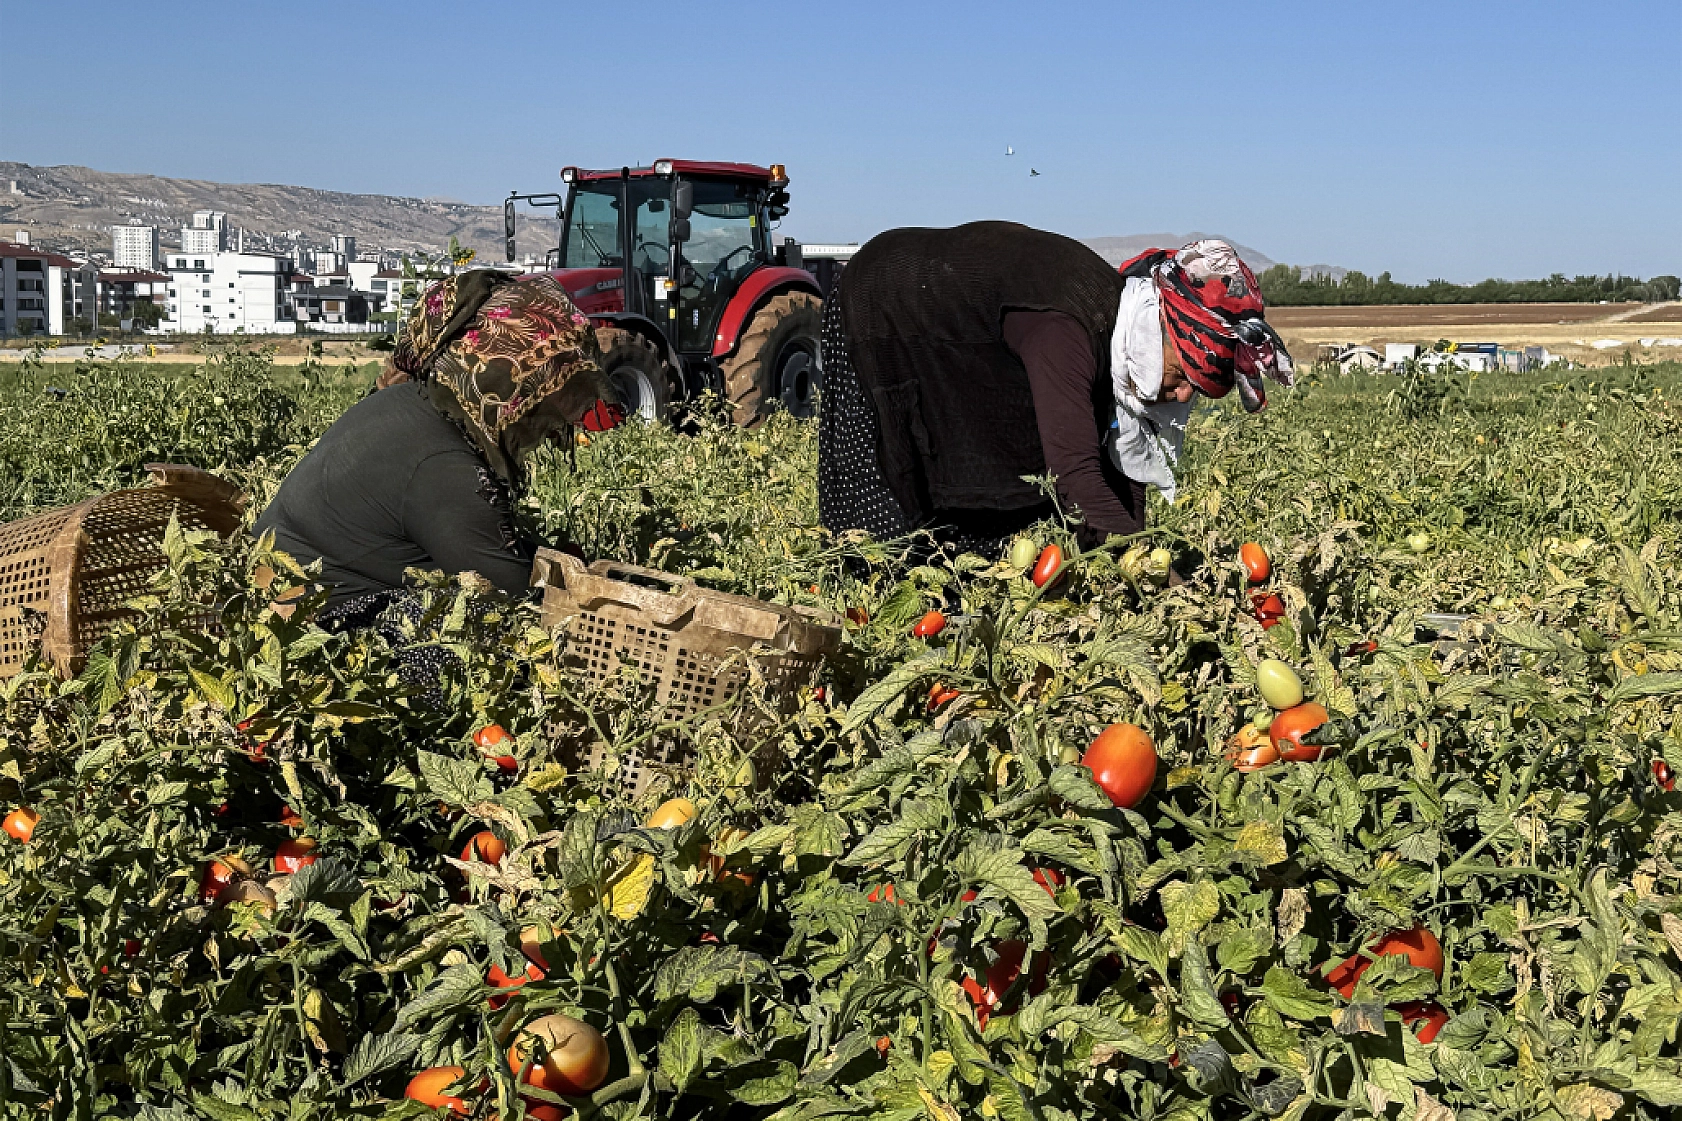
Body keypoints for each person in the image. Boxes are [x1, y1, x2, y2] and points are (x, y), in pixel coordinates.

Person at [817, 222, 1294, 555]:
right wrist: (1141, 560)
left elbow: (1116, 448)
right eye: (1184, 375)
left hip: (949, 316)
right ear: (1165, 333)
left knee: (987, 525)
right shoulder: (1067, 330)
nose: (1185, 396)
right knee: (883, 510)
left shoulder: (1123, 325)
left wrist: (1135, 538)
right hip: (885, 303)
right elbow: (1075, 471)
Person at [255, 270, 621, 635]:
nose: (550, 423)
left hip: (267, 587)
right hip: (305, 623)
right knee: (476, 638)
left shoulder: (408, 402)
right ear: (507, 393)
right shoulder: (448, 468)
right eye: (541, 403)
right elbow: (510, 598)